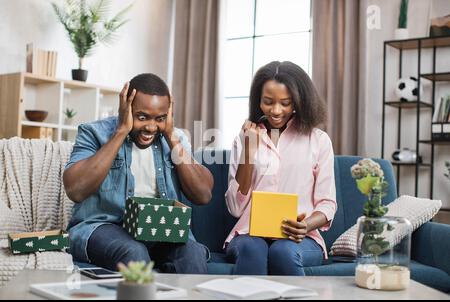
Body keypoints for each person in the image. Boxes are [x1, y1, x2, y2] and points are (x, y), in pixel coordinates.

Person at [64, 73, 213, 273]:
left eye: (159, 118)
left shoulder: (174, 138)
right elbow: (75, 189)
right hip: (103, 227)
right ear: (126, 106)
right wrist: (121, 131)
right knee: (133, 251)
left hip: (160, 229)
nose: (151, 127)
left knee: (193, 253)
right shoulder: (94, 133)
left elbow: (203, 194)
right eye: (142, 117)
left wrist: (170, 135)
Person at [224, 61, 337, 275]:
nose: (276, 111)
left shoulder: (319, 140)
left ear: (298, 101)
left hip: (299, 238)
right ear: (258, 101)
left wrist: (307, 225)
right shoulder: (244, 139)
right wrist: (249, 151)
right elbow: (235, 208)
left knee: (283, 251)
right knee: (251, 248)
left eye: (285, 103)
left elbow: (327, 203)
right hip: (249, 233)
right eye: (268, 102)